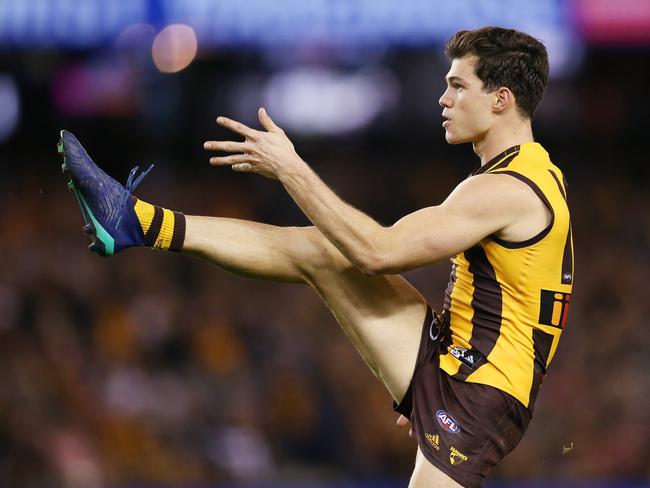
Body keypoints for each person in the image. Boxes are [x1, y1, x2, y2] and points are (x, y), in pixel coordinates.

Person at [58, 27, 573, 488]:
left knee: (341, 250)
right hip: (453, 357)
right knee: (321, 250)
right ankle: (135, 221)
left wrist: (291, 169)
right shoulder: (522, 175)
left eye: (458, 85)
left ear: (502, 99)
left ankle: (132, 222)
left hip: (479, 393)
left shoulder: (508, 189)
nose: (443, 98)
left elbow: (378, 252)